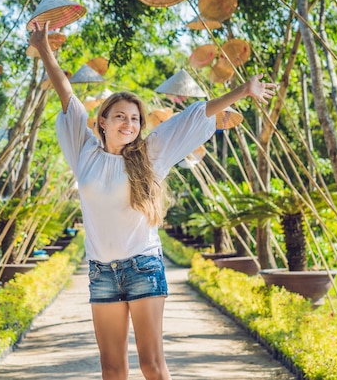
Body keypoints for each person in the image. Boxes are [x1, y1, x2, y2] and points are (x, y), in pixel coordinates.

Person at [29, 21, 277, 380]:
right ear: (102, 122)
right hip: (101, 272)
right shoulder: (83, 150)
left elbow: (195, 116)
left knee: (152, 366)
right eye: (120, 117)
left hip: (142, 266)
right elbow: (66, 95)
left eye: (134, 118)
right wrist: (45, 50)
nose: (128, 124)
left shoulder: (150, 153)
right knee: (112, 369)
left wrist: (242, 90)